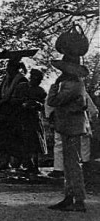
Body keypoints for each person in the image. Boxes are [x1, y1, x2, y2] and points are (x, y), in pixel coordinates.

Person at [46, 55, 90, 212]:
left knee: (72, 164)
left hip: (71, 127)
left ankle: (78, 199)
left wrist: (54, 86)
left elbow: (53, 101)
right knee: (70, 163)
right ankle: (70, 197)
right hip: (69, 126)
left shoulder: (71, 85)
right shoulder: (75, 83)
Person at [0, 57, 28, 170]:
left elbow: (21, 97)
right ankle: (4, 162)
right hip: (4, 112)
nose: (8, 70)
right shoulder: (6, 80)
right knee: (2, 137)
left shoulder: (21, 80)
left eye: (10, 68)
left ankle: (18, 162)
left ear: (15, 69)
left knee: (15, 138)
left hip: (16, 113)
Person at [13, 68, 47, 175]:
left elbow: (44, 105)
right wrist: (23, 102)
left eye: (38, 80)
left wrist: (36, 104)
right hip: (21, 117)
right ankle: (27, 164)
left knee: (35, 142)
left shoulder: (41, 91)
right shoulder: (21, 87)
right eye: (34, 78)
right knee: (23, 141)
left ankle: (35, 166)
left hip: (34, 119)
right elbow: (13, 100)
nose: (36, 81)